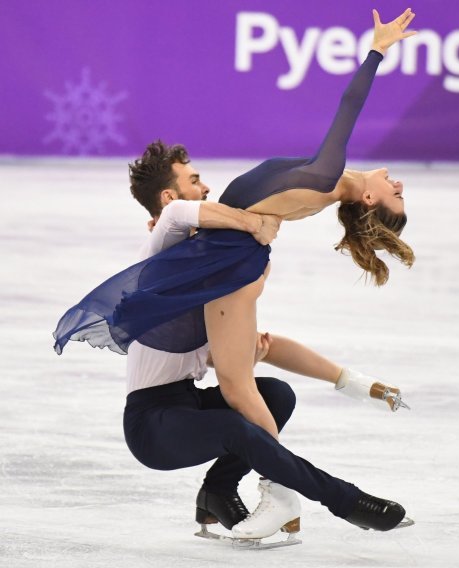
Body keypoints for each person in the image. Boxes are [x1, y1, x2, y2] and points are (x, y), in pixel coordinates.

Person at [54, 8, 418, 538]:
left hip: (230, 281)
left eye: (397, 193)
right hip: (153, 422)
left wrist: (355, 383)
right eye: (195, 178)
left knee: (271, 396)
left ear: (366, 198)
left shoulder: (300, 195)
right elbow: (179, 213)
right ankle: (336, 501)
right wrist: (249, 222)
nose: (205, 185)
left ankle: (220, 492)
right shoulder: (169, 248)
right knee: (237, 416)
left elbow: (269, 347)